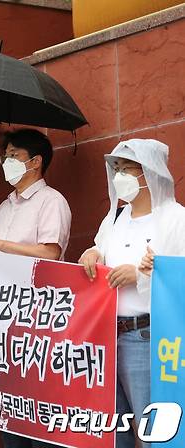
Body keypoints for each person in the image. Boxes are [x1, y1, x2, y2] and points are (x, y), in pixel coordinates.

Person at [0, 129, 70, 448]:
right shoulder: (6, 206)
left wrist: (0, 243)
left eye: (13, 155)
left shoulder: (52, 201)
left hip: (38, 322)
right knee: (10, 409)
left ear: (35, 162)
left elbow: (51, 253)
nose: (6, 161)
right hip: (4, 319)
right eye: (5, 155)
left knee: (40, 408)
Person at [79, 139, 185, 448]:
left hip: (150, 337)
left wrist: (140, 275)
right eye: (116, 169)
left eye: (127, 169)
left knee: (155, 431)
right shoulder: (114, 219)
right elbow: (99, 249)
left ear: (150, 173)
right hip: (105, 339)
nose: (119, 176)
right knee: (113, 430)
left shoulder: (175, 219)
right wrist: (91, 253)